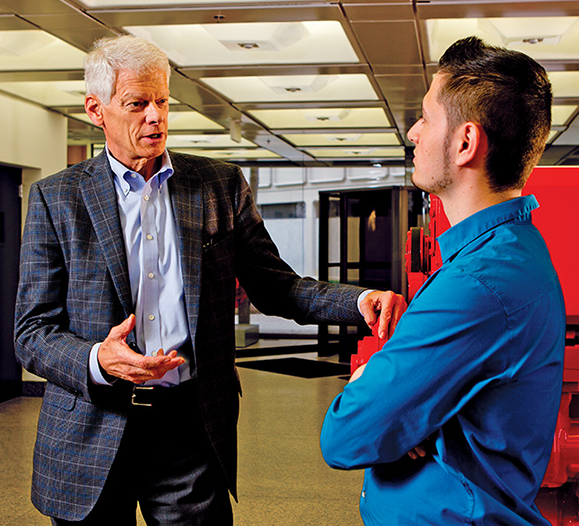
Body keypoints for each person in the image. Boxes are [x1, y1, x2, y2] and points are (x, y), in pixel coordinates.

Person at [13, 35, 406, 525]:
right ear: (97, 109)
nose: (156, 116)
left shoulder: (219, 185)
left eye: (162, 101)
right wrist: (98, 359)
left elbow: (277, 286)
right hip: (89, 427)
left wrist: (359, 300)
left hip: (189, 430)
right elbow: (32, 333)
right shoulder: (57, 199)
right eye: (138, 104)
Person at [320, 36, 566, 525]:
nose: (413, 132)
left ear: (465, 142)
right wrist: (414, 418)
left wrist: (371, 387)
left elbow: (347, 434)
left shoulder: (479, 282)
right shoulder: (509, 253)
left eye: (427, 116)